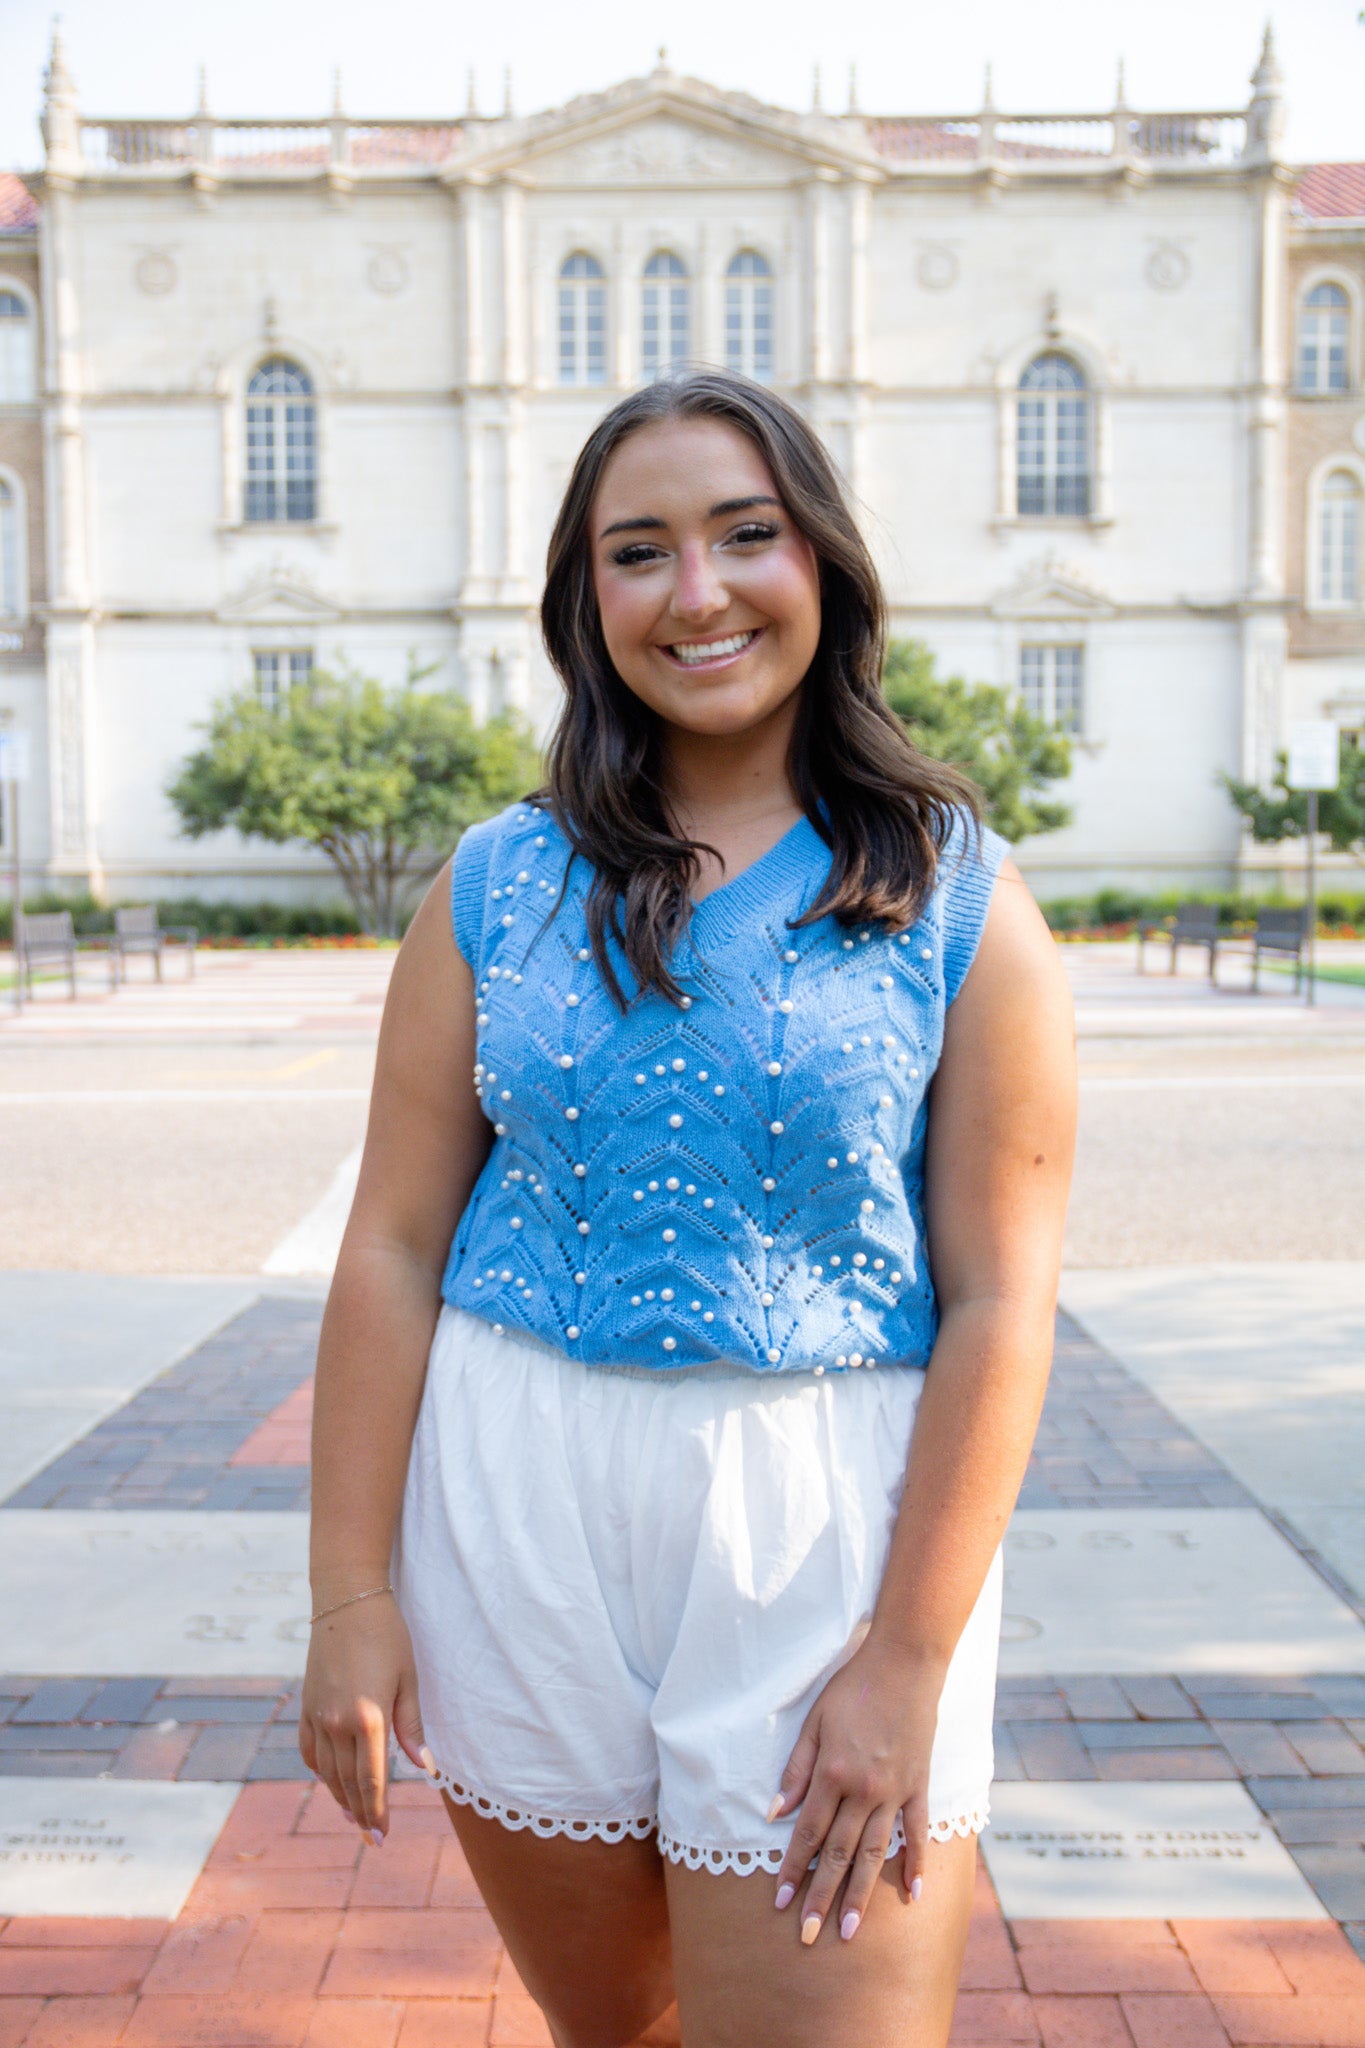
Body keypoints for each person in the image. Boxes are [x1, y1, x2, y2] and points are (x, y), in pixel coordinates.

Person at [299, 368, 1076, 2048]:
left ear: (824, 566)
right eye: (635, 551)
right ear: (586, 601)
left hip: (824, 1534)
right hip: (518, 1514)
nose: (697, 591)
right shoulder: (492, 884)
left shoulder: (956, 895)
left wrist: (908, 1661)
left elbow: (1005, 1302)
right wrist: (349, 1595)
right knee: (616, 2034)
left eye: (745, 535)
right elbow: (387, 1247)